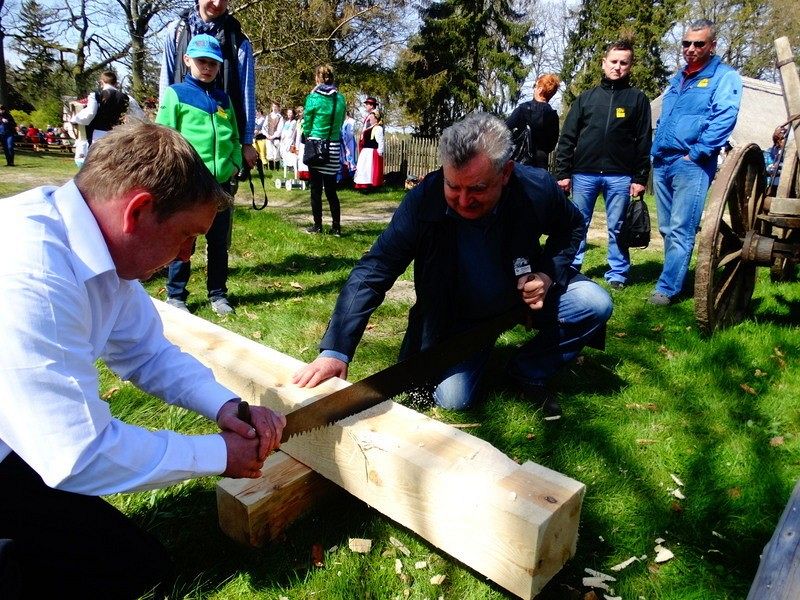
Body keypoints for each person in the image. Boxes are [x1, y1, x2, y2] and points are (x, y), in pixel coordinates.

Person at [0, 122, 286, 599]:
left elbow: (146, 352)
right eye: (186, 236)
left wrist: (227, 408)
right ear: (138, 211)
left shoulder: (99, 249)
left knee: (138, 568)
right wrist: (219, 455)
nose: (186, 255)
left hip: (17, 444)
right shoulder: (31, 275)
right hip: (24, 450)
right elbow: (78, 454)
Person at [292, 112, 613, 417]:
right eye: (453, 186)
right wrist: (336, 350)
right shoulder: (423, 202)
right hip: (460, 321)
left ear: (506, 173)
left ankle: (528, 369)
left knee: (593, 303)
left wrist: (547, 273)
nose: (462, 201)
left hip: (521, 299)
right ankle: (478, 353)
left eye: (477, 189)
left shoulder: (536, 187)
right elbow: (374, 270)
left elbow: (571, 226)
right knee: (452, 400)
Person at [650, 19, 742, 305]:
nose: (690, 48)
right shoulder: (678, 78)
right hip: (663, 160)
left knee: (681, 228)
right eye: (686, 43)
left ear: (712, 45)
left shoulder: (724, 77)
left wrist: (698, 152)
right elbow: (665, 118)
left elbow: (725, 116)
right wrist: (655, 151)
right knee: (666, 228)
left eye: (698, 44)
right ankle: (673, 276)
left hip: (691, 163)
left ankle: (667, 288)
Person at [554, 40, 652, 290]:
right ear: (603, 63)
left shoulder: (638, 99)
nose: (617, 67)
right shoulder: (586, 99)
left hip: (620, 175)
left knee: (617, 227)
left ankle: (617, 273)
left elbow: (644, 141)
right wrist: (563, 173)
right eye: (613, 61)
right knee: (578, 224)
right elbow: (567, 138)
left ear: (630, 66)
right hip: (584, 173)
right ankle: (571, 267)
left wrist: (640, 177)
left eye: (623, 63)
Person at [156, 34, 242, 316]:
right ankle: (176, 294)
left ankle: (218, 294)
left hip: (221, 185)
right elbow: (164, 138)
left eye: (213, 63)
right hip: (189, 185)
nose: (207, 67)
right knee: (184, 241)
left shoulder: (223, 99)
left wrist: (234, 163)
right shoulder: (176, 94)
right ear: (187, 60)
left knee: (218, 243)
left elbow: (234, 136)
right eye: (201, 61)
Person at [159, 0, 258, 174]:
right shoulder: (176, 32)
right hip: (184, 169)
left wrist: (246, 144)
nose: (218, 3)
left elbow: (247, 94)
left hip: (223, 166)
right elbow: (166, 82)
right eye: (201, 61)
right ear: (187, 59)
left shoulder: (238, 40)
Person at [302, 64, 346, 236]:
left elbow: (307, 123)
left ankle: (318, 225)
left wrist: (308, 135)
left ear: (317, 78)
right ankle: (336, 227)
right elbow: (341, 121)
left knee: (315, 189)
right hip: (333, 146)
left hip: (316, 146)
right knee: (331, 190)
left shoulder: (313, 98)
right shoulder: (340, 99)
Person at [506, 73, 560, 169]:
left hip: (519, 162)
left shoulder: (522, 109)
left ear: (540, 89)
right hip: (541, 164)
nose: (534, 88)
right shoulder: (553, 115)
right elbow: (552, 145)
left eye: (535, 86)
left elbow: (505, 129)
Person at [70, 71, 132, 144]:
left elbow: (90, 113)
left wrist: (74, 119)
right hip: (118, 134)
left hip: (100, 134)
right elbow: (134, 116)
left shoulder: (96, 95)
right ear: (115, 82)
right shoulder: (126, 97)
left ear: (101, 81)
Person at [353, 108, 385, 190]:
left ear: (376, 119)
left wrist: (380, 152)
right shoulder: (370, 127)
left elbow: (380, 141)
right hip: (366, 152)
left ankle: (369, 185)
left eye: (371, 118)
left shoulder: (378, 128)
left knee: (368, 169)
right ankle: (363, 185)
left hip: (371, 152)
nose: (370, 119)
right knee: (363, 168)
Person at [764, 125, 787, 196]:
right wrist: (771, 167)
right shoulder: (770, 152)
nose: (784, 141)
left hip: (781, 183)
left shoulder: (787, 153)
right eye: (781, 139)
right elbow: (765, 166)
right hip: (770, 183)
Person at [262, 101, 284, 170]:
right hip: (268, 137)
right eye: (273, 106)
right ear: (271, 107)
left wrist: (273, 136)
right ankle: (271, 169)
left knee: (276, 153)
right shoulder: (268, 116)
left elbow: (280, 129)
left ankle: (277, 168)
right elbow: (264, 127)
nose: (274, 108)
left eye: (276, 107)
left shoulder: (280, 117)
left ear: (278, 108)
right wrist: (267, 135)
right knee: (269, 153)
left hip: (276, 138)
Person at [340, 108, 357, 183]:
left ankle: (351, 176)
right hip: (343, 142)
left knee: (350, 158)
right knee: (344, 158)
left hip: (349, 142)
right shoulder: (343, 121)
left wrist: (345, 141)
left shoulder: (351, 121)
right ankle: (344, 176)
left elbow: (350, 133)